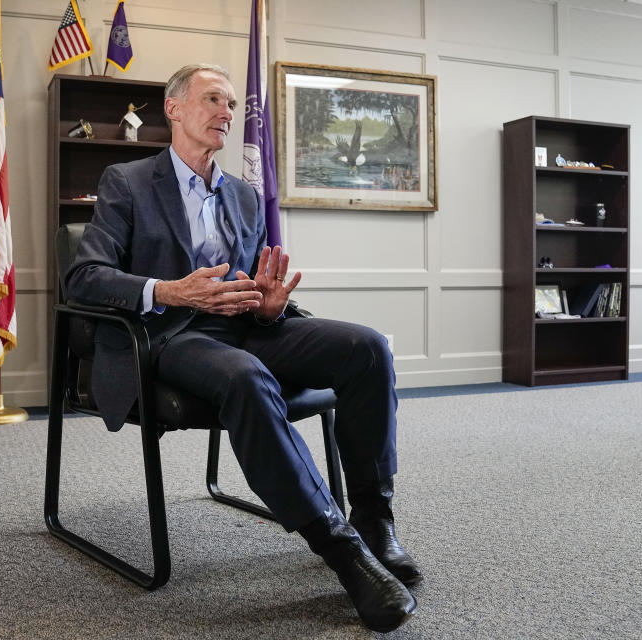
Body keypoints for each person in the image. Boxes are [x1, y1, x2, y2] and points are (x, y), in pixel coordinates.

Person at [66, 63, 421, 632]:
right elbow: (84, 278)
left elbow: (252, 287)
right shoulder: (126, 182)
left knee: (368, 347)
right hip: (170, 336)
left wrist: (270, 303)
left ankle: (375, 518)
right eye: (212, 99)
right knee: (246, 378)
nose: (226, 113)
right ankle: (343, 550)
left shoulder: (245, 197)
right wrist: (169, 290)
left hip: (249, 325)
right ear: (174, 108)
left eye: (231, 104)